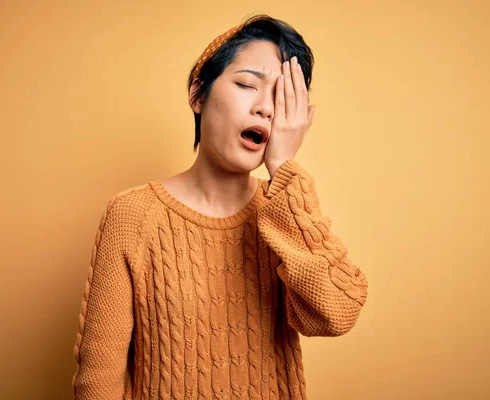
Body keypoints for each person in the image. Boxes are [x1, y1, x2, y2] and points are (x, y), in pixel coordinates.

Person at [71, 14, 369, 399]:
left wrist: (283, 170)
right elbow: (98, 379)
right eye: (248, 84)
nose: (266, 108)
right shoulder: (132, 214)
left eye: (281, 99)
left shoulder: (283, 213)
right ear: (198, 94)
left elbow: (337, 312)